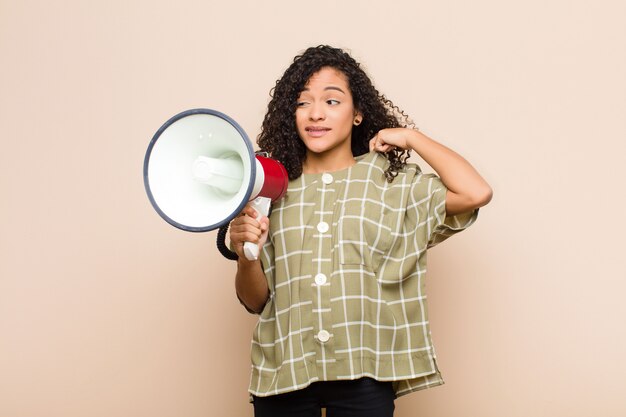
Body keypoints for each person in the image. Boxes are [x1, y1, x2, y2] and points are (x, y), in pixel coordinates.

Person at [229, 45, 492, 417]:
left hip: (365, 372)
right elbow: (255, 301)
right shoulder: (271, 188)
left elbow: (476, 191)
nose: (316, 113)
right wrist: (245, 255)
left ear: (357, 114)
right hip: (283, 373)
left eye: (332, 101)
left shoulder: (390, 183)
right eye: (303, 103)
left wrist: (411, 137)